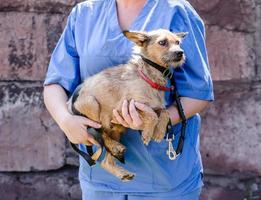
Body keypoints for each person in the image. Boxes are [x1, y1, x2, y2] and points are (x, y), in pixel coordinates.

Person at [43, 0, 214, 199]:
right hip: (101, 181)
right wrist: (65, 121)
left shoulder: (177, 11)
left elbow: (199, 93)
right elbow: (56, 83)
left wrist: (159, 120)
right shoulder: (84, 14)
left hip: (164, 177)